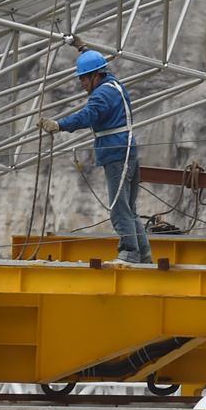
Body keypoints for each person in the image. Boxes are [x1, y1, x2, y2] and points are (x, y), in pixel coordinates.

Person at [38, 47, 152, 265]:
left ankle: (129, 253)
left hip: (116, 153)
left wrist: (58, 125)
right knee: (129, 208)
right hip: (127, 151)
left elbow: (88, 116)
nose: (81, 83)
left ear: (96, 75)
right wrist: (84, 49)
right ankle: (143, 255)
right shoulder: (114, 85)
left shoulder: (102, 94)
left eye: (84, 78)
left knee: (119, 208)